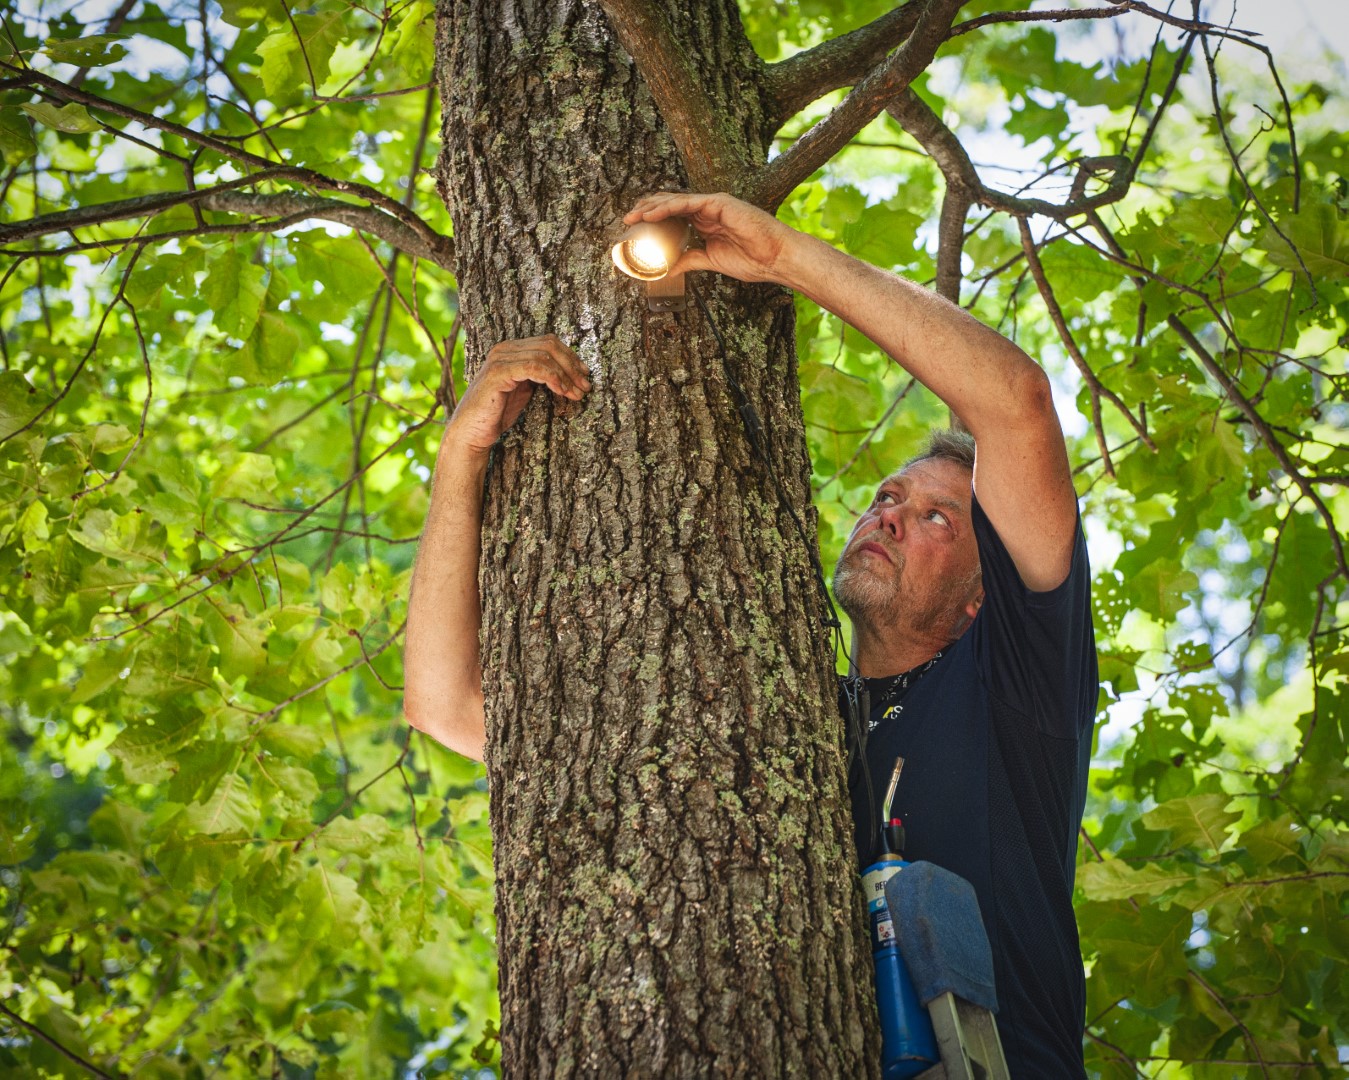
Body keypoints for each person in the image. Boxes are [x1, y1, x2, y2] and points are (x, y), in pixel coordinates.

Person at [404, 192, 1097, 1077]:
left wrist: (780, 259)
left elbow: (1015, 401)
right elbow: (444, 705)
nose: (888, 516)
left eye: (934, 518)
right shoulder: (783, 707)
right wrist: (460, 458)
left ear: (978, 597)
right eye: (887, 496)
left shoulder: (1021, 682)